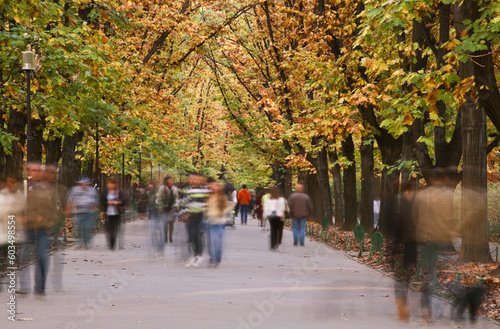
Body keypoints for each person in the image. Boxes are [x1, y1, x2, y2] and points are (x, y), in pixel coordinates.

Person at [22, 162, 59, 296]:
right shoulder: (22, 188)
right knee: (22, 256)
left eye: (38, 170)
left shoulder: (48, 189)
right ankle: (23, 285)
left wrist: (44, 219)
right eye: (31, 170)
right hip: (25, 228)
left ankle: (40, 286)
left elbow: (53, 211)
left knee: (42, 256)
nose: (35, 172)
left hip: (41, 229)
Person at [386, 181, 418, 322]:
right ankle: (404, 308)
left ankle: (402, 309)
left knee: (400, 279)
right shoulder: (409, 205)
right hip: (408, 247)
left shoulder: (400, 204)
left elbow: (393, 228)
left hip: (401, 248)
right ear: (408, 191)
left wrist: (391, 249)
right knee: (405, 278)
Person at [178, 173, 210, 267]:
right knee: (191, 236)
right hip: (190, 216)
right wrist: (182, 214)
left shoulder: (203, 190)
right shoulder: (188, 190)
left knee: (197, 235)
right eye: (191, 179)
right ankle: (194, 255)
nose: (193, 181)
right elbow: (183, 202)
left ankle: (198, 255)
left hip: (199, 216)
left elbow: (206, 203)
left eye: (195, 179)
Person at [66, 176, 99, 249]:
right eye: (82, 183)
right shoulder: (74, 190)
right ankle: (79, 242)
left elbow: (95, 201)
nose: (84, 184)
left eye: (85, 183)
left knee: (87, 227)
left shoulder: (92, 190)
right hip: (79, 211)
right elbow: (70, 200)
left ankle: (87, 243)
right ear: (79, 183)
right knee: (80, 227)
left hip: (89, 212)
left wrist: (94, 210)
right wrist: (69, 209)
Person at [205, 180, 232, 267]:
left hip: (220, 221)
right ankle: (212, 258)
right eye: (212, 186)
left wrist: (223, 215)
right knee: (211, 240)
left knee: (218, 240)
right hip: (210, 221)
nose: (213, 187)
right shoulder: (208, 197)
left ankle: (217, 257)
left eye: (215, 186)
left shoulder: (223, 197)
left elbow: (227, 209)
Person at [100, 177, 125, 250]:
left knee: (115, 228)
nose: (111, 185)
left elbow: (123, 202)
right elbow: (102, 201)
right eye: (109, 183)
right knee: (109, 228)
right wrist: (108, 202)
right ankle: (111, 243)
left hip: (117, 213)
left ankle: (113, 242)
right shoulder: (105, 192)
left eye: (112, 183)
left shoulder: (118, 192)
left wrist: (117, 202)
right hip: (108, 213)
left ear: (114, 184)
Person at [155, 176, 179, 245]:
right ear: (166, 181)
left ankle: (170, 236)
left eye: (172, 180)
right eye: (169, 180)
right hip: (164, 208)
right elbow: (158, 198)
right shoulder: (161, 188)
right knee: (165, 223)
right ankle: (165, 236)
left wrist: (176, 206)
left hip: (172, 208)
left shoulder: (175, 189)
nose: (171, 181)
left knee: (171, 222)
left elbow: (176, 198)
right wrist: (160, 207)